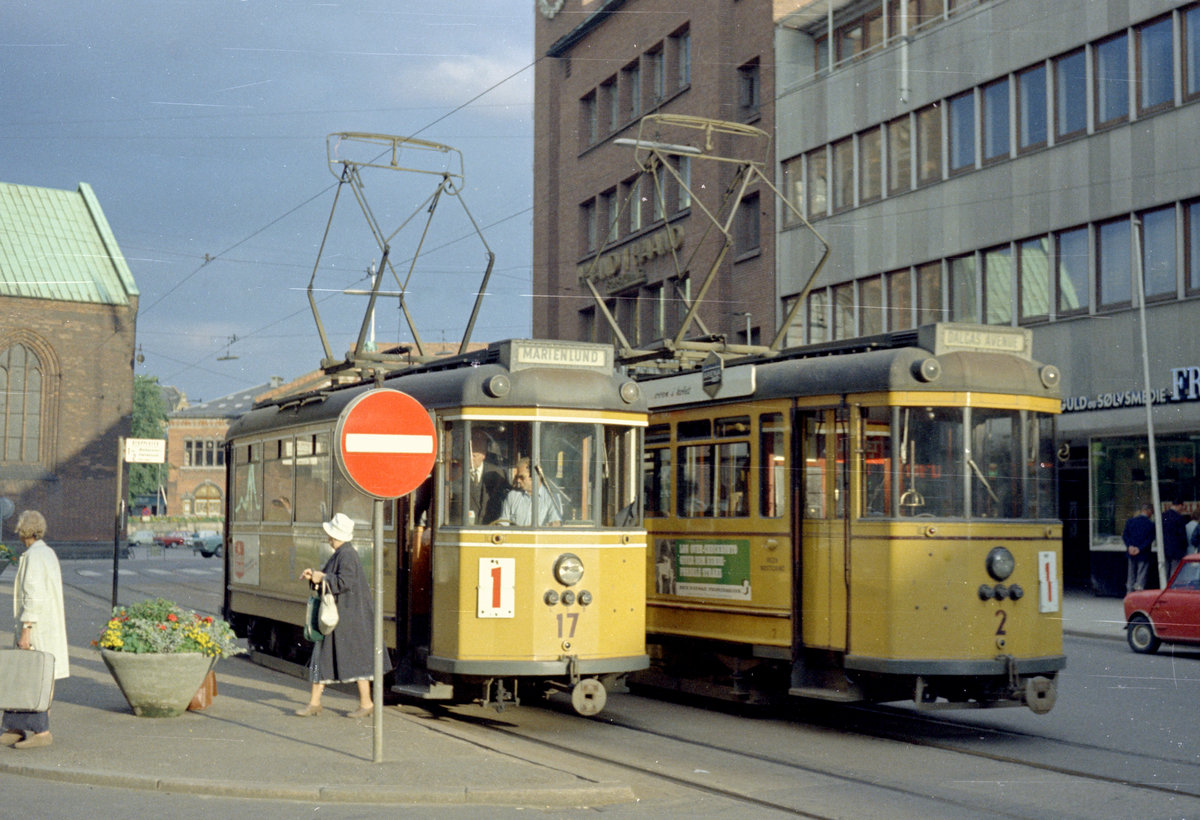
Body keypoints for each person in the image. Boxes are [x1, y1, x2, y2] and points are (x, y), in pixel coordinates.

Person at [293, 513, 388, 717]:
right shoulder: (345, 553)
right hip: (345, 616)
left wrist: (321, 577)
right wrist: (316, 577)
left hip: (345, 618)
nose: (329, 539)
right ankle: (323, 703)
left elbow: (344, 582)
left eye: (331, 535)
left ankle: (361, 704)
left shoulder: (346, 554)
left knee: (328, 658)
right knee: (343, 659)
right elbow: (338, 580)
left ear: (337, 536)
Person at [1, 510, 69, 749]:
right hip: (46, 626)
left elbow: (33, 596)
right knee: (31, 678)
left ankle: (42, 732)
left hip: (37, 628)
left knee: (31, 679)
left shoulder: (34, 557)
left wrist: (26, 631)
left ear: (22, 531)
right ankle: (15, 728)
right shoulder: (46, 552)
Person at [500, 458, 561, 526]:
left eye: (521, 477)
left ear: (534, 476)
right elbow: (503, 523)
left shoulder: (552, 498)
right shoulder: (512, 496)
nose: (518, 480)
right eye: (517, 477)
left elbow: (555, 525)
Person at [467, 428, 508, 525]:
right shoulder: (458, 472)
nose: (470, 459)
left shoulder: (497, 473)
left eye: (474, 456)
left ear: (483, 455)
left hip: (489, 526)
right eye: (468, 455)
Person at [1122, 502, 1156, 593]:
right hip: (1143, 553)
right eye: (1152, 511)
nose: (1152, 514)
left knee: (1131, 575)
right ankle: (1138, 595)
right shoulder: (1150, 524)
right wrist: (1139, 548)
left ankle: (1129, 594)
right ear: (1148, 511)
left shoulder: (1130, 521)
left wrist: (1129, 546)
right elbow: (1150, 539)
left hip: (1131, 552)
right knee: (1141, 575)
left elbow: (1125, 535)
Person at [1162, 500, 1189, 580]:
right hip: (1177, 549)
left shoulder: (1163, 516)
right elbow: (1182, 535)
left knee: (1164, 572)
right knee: (1175, 573)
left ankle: (1165, 586)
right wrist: (1185, 547)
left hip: (1164, 549)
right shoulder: (1179, 518)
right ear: (1179, 505)